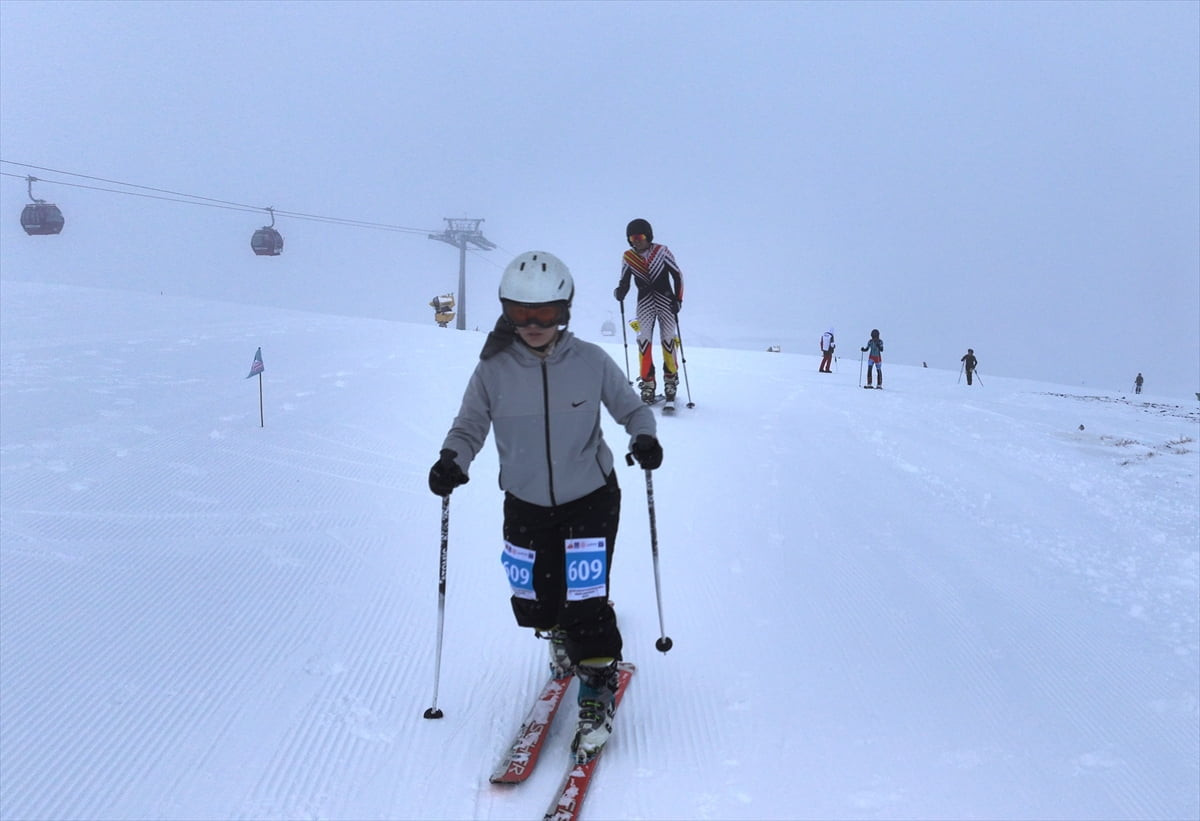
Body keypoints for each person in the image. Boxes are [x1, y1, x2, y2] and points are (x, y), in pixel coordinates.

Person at [428, 250, 661, 762]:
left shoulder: (590, 362)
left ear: (565, 312)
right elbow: (469, 425)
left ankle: (596, 689)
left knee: (585, 599)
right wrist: (453, 459)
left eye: (546, 314)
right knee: (535, 596)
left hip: (591, 497)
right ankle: (557, 627)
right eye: (520, 314)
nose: (533, 325)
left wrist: (643, 437)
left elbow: (632, 407)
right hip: (526, 500)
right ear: (506, 312)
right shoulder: (493, 369)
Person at [614, 218, 685, 403]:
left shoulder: (661, 251)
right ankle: (648, 384)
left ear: (648, 236)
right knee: (644, 341)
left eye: (639, 236)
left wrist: (678, 299)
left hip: (666, 301)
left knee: (667, 340)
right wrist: (620, 291)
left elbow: (677, 275)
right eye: (632, 237)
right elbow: (624, 281)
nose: (636, 240)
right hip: (645, 303)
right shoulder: (628, 257)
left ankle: (671, 380)